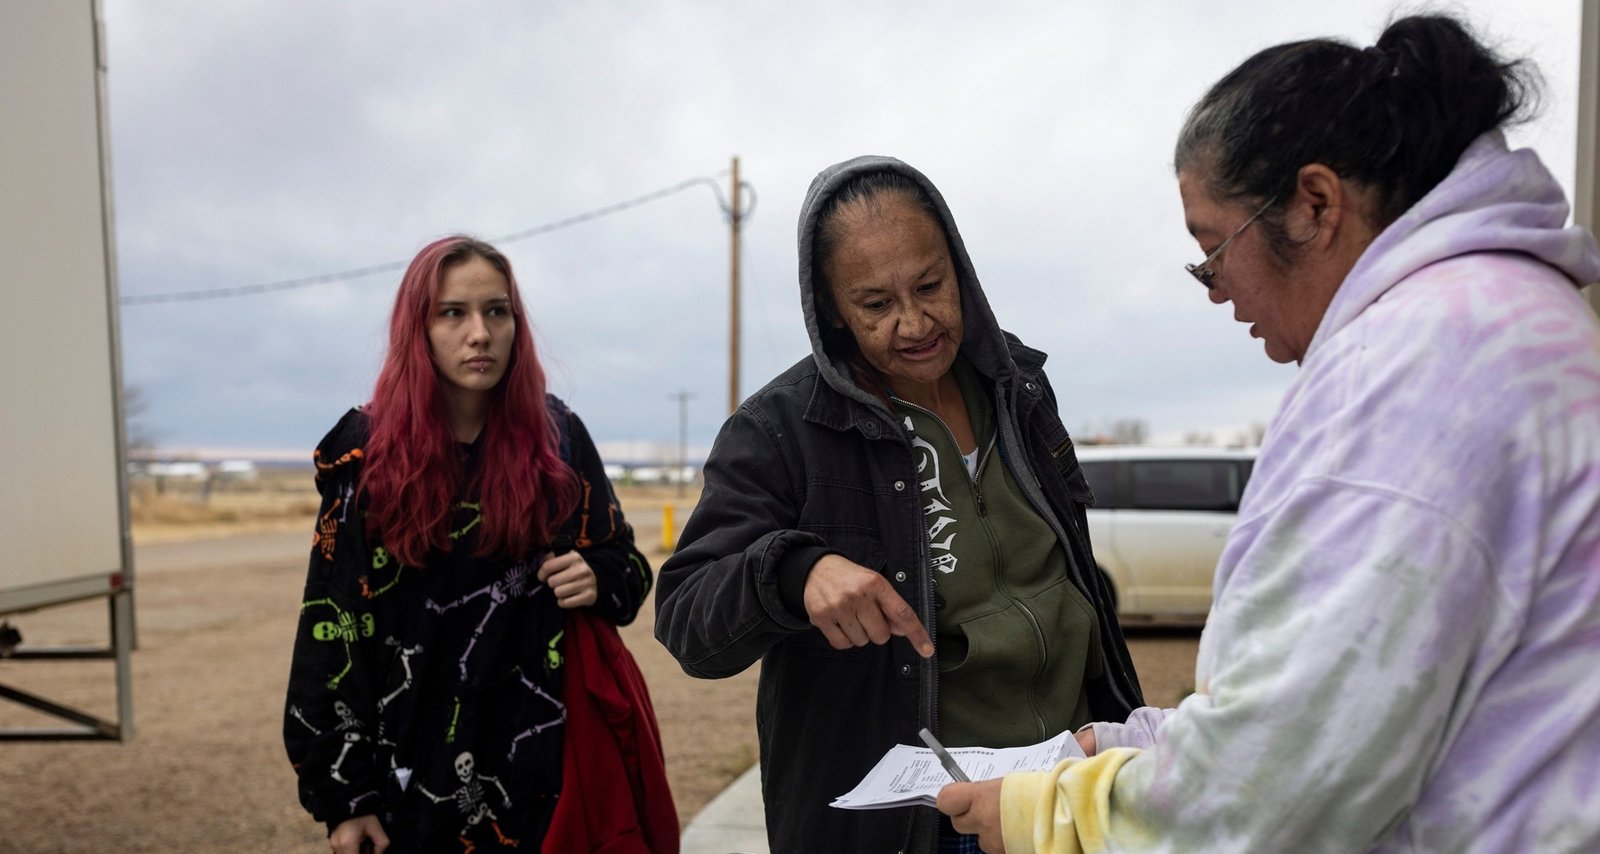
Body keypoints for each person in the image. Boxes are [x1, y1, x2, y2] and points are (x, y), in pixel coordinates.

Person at [937, 14, 1600, 853]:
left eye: (1213, 251)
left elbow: (1278, 789)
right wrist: (1135, 744)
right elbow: (1355, 701)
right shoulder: (1495, 320)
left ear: (1315, 204)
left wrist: (1047, 814)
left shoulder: (1418, 367)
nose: (1215, 291)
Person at [654, 157, 1144, 853]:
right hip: (925, 825)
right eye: (876, 304)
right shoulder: (779, 431)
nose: (915, 322)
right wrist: (797, 573)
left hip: (1069, 794)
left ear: (960, 267)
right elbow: (686, 621)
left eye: (930, 285)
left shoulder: (1022, 388)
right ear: (830, 310)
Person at [283, 235, 668, 853]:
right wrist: (346, 799)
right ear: (419, 328)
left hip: (541, 773)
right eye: (452, 313)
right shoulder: (366, 454)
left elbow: (626, 568)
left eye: (497, 310)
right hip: (410, 782)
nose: (480, 333)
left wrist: (597, 576)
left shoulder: (557, 437)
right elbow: (332, 629)